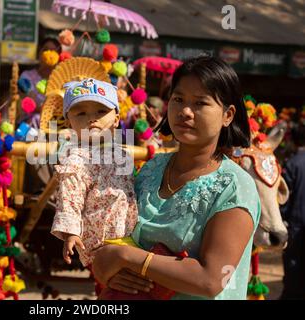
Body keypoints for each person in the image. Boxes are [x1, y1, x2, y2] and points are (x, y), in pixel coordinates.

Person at [92, 56, 261, 300]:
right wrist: (107, 266)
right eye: (178, 99)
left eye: (200, 103)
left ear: (228, 115)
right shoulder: (152, 169)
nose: (185, 112)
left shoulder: (234, 187)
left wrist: (127, 257)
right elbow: (114, 241)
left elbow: (212, 280)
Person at [50, 78, 138, 272]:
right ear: (69, 122)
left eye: (101, 111)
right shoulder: (75, 159)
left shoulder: (122, 154)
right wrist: (71, 234)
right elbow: (70, 199)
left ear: (116, 119)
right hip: (101, 239)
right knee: (115, 286)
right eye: (81, 113)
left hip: (130, 232)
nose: (92, 118)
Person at [280, 123, 305, 299]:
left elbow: (283, 197)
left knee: (295, 270)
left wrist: (282, 219)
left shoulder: (292, 163)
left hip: (296, 225)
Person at [19, 37, 62, 110]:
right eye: (45, 50)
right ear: (39, 54)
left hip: (53, 120)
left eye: (54, 51)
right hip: (31, 119)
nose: (50, 54)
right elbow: (28, 103)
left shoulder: (61, 80)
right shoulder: (26, 77)